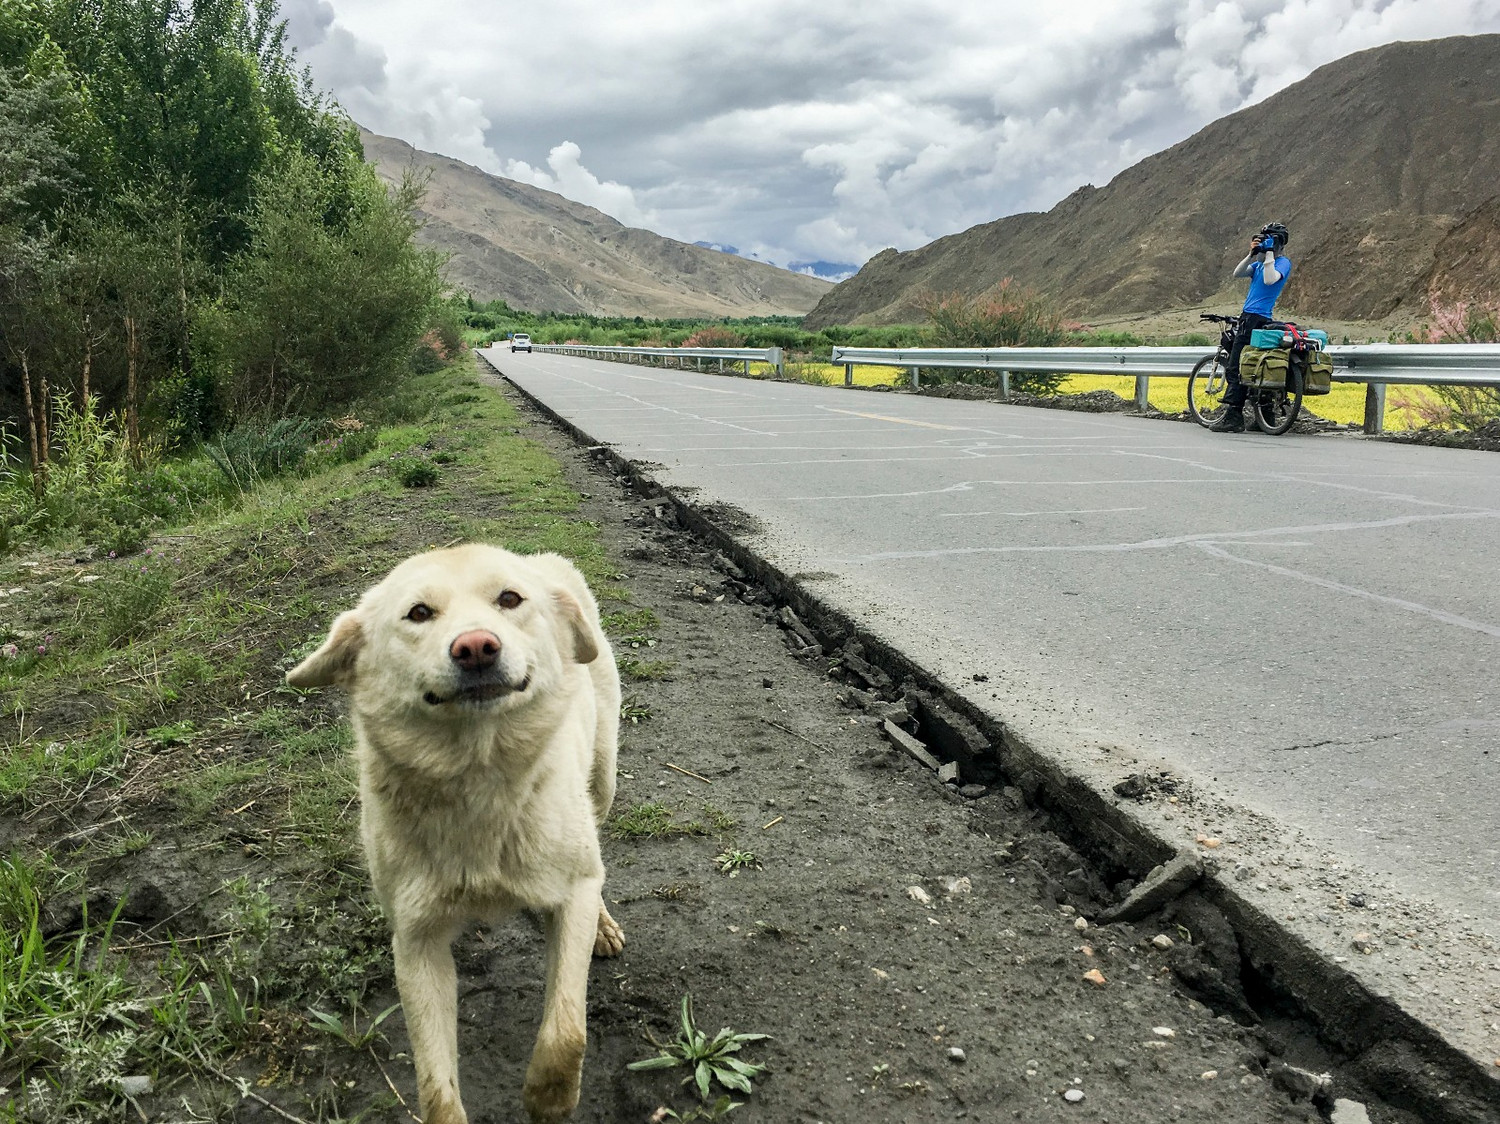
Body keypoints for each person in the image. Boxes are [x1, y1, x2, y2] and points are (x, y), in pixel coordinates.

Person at [1210, 221, 1292, 433]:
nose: (1266, 243)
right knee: (1256, 366)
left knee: (1236, 365)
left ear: (1279, 243)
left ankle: (1234, 416)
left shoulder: (1282, 263)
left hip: (1257, 318)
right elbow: (1237, 273)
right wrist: (1252, 253)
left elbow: (1269, 280)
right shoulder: (1259, 265)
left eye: (1270, 239)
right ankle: (1265, 417)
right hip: (1251, 318)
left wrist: (1270, 255)